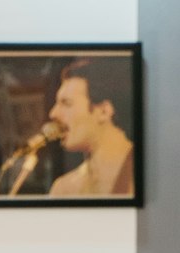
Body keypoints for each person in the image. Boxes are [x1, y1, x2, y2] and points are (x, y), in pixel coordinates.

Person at [48, 57, 136, 199]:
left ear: (104, 111)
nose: (53, 114)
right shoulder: (64, 188)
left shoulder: (147, 171)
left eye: (66, 103)